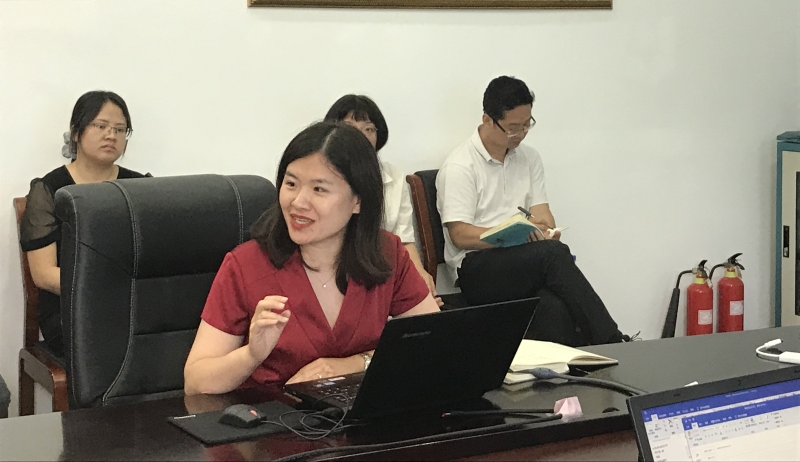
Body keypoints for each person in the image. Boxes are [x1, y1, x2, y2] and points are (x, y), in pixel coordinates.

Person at [184, 122, 439, 393]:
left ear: (358, 201)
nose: (298, 202)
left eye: (319, 189)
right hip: (276, 413)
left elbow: (437, 342)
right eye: (291, 184)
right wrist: (251, 355)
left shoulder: (386, 252)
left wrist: (355, 364)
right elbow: (196, 383)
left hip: (363, 411)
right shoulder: (245, 265)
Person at [436, 76, 626, 345]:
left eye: (527, 125)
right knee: (554, 255)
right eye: (513, 128)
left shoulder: (529, 158)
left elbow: (543, 214)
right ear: (487, 120)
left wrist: (544, 230)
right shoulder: (460, 166)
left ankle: (584, 365)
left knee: (553, 307)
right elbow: (460, 235)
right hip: (476, 269)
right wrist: (506, 235)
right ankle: (614, 341)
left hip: (522, 264)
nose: (521, 134)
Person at [20, 91, 148, 358]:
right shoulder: (50, 190)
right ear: (76, 132)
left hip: (131, 305)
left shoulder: (140, 188)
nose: (111, 135)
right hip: (70, 308)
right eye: (101, 126)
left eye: (120, 129)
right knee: (116, 345)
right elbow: (43, 274)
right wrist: (105, 290)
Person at [324, 94, 441, 305]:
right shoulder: (322, 176)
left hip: (384, 271)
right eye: (350, 128)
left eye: (368, 129)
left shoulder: (394, 177)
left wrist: (420, 276)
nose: (360, 136)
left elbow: (405, 240)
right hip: (336, 272)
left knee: (428, 308)